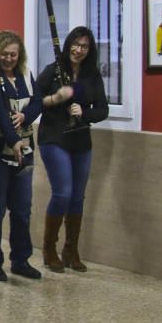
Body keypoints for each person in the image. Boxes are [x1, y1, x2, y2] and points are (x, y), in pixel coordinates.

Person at [36, 26, 109, 273]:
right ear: (68, 45)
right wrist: (56, 99)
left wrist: (85, 113)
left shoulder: (92, 76)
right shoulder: (53, 72)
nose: (79, 50)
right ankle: (49, 249)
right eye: (75, 44)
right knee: (63, 193)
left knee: (78, 196)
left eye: (84, 46)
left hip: (80, 140)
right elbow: (35, 102)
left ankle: (71, 250)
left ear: (90, 50)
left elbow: (102, 110)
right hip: (53, 137)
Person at [0, 30, 43, 282]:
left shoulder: (26, 74)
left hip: (25, 149)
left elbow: (38, 102)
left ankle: (21, 259)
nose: (8, 59)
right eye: (4, 54)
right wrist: (12, 138)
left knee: (22, 208)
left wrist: (26, 116)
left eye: (13, 55)